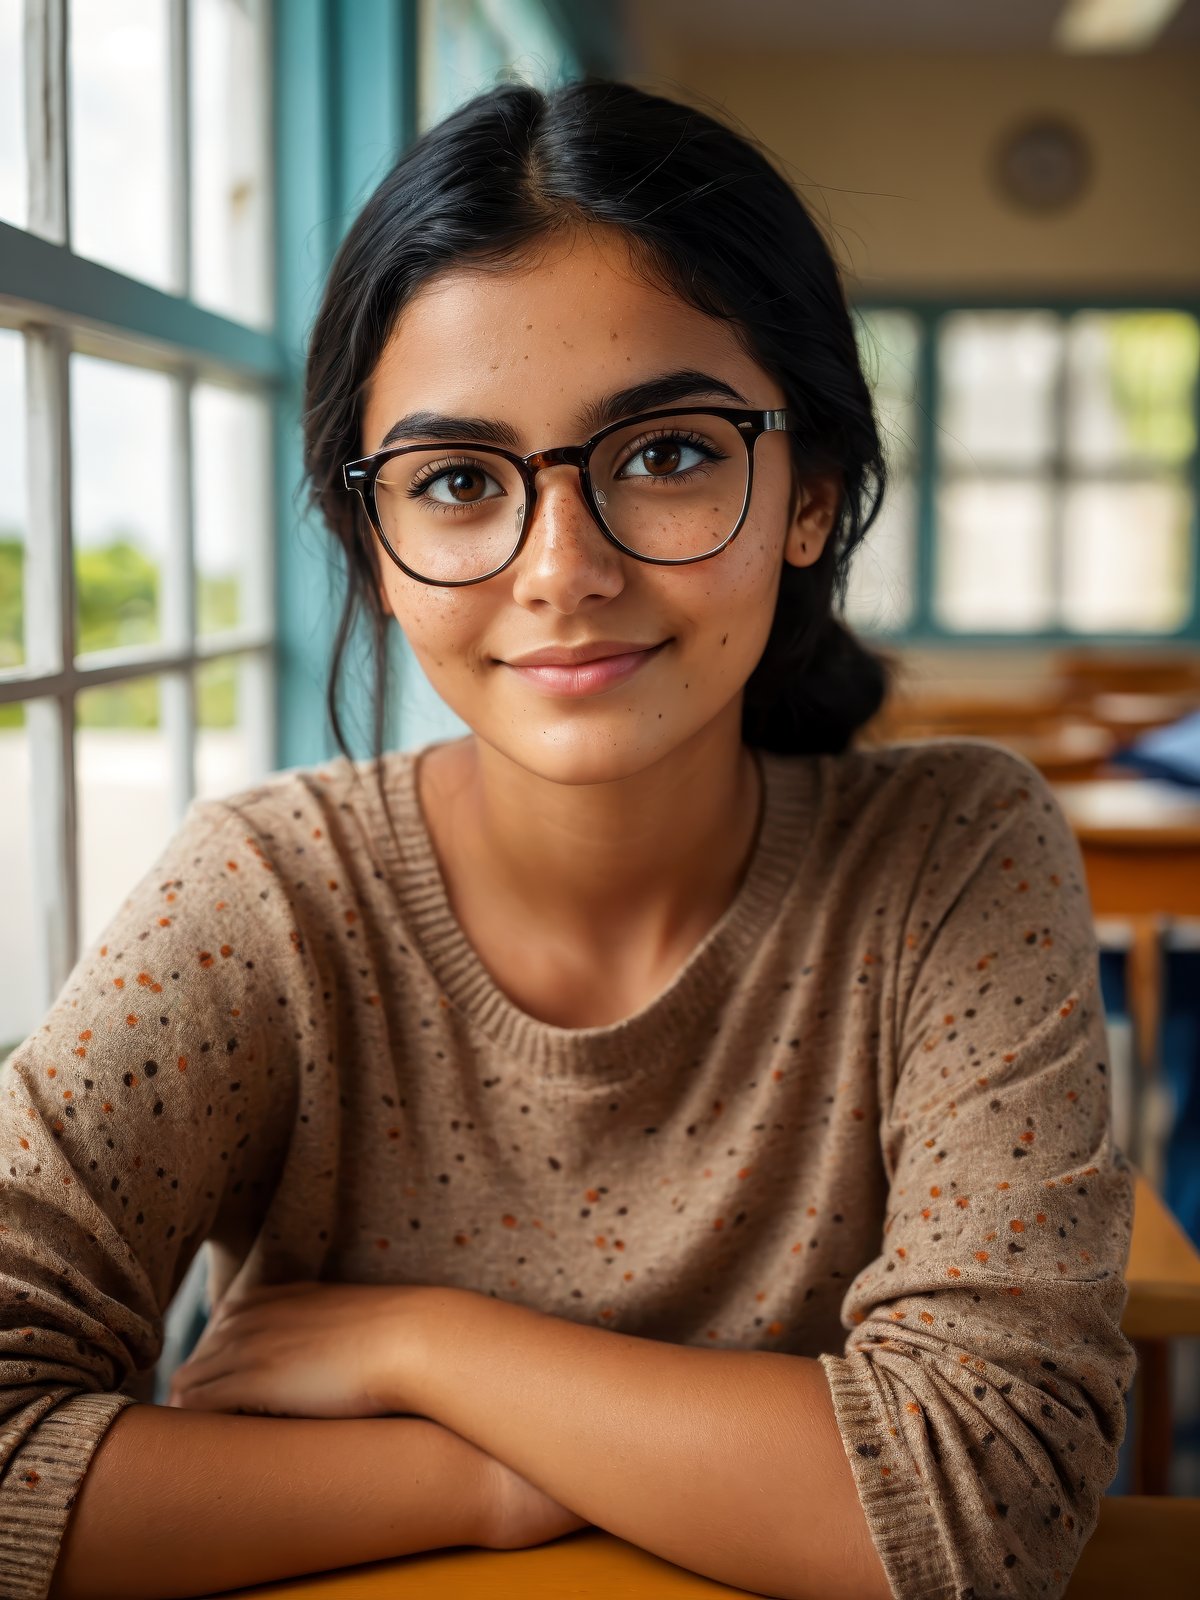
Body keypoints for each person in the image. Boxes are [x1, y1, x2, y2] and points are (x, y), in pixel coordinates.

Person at [1, 77, 1134, 1600]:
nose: (562, 569)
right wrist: (486, 1481)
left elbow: (987, 1505)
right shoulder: (266, 897)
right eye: (460, 483)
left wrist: (426, 1344)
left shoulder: (954, 856)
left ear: (812, 491)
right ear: (374, 549)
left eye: (665, 453)